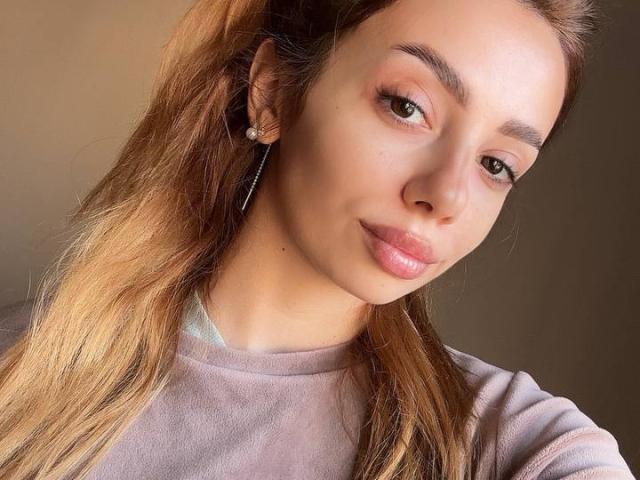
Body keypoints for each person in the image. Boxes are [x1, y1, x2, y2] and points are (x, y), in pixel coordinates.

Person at [0, 0, 635, 478]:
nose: (447, 196)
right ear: (273, 92)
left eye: (497, 165)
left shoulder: (511, 441)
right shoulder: (22, 371)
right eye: (407, 106)